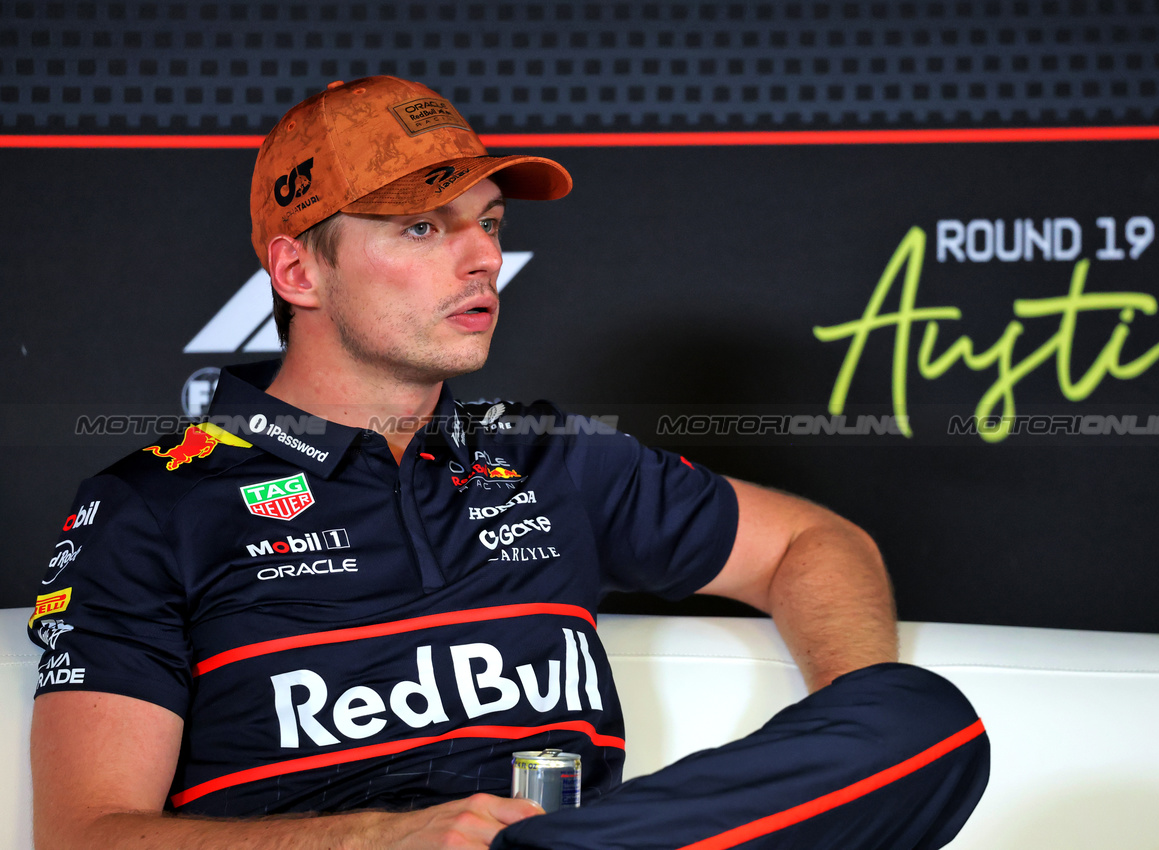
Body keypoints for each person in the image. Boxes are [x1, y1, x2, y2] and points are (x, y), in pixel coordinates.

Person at [27, 76, 988, 850]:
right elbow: (85, 835)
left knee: (914, 718)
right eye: (422, 228)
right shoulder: (152, 506)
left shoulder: (552, 457)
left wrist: (836, 725)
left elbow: (813, 544)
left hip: (588, 839)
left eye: (487, 222)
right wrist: (385, 840)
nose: (481, 257)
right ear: (297, 273)